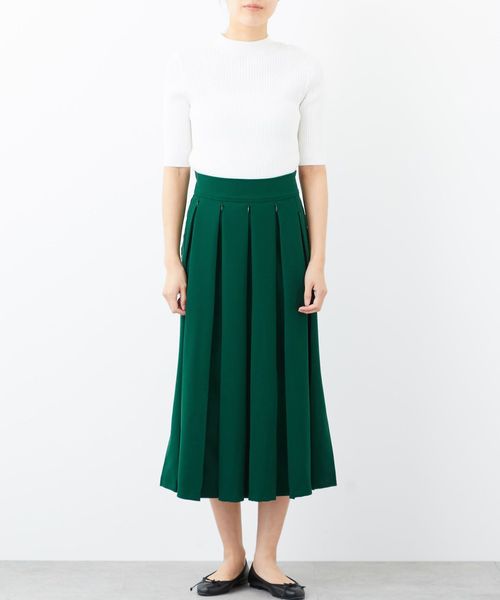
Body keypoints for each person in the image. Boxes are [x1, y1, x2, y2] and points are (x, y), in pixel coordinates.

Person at [159, 1, 337, 597]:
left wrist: (316, 258)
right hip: (210, 232)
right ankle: (231, 556)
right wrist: (171, 259)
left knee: (280, 385)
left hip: (284, 231)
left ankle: (267, 558)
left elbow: (313, 169)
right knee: (214, 385)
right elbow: (175, 170)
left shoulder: (302, 66)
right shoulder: (188, 64)